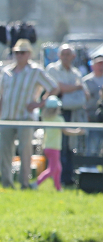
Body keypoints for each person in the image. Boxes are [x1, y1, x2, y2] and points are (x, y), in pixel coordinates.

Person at [0, 39, 58, 190]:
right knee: (5, 152)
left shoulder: (36, 71)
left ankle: (24, 183)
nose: (19, 55)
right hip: (7, 117)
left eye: (22, 52)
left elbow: (53, 88)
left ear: (29, 54)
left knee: (25, 152)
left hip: (25, 117)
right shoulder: (6, 71)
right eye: (16, 52)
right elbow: (2, 95)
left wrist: (39, 103)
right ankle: (7, 184)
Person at [45, 44, 89, 186]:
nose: (65, 57)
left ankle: (69, 177)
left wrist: (73, 89)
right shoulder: (53, 69)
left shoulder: (76, 72)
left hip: (74, 113)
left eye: (68, 54)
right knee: (59, 146)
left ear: (73, 56)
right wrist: (76, 88)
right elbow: (58, 87)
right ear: (58, 55)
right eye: (62, 54)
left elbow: (86, 94)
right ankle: (60, 178)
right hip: (58, 112)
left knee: (71, 145)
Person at [37, 96, 85, 191]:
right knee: (52, 170)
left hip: (47, 147)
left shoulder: (45, 118)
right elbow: (66, 131)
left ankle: (58, 187)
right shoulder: (59, 119)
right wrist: (77, 132)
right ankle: (36, 183)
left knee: (58, 168)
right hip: (54, 148)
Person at [83, 55, 103, 156]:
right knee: (92, 145)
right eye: (98, 64)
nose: (101, 66)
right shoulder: (86, 81)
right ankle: (90, 168)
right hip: (92, 117)